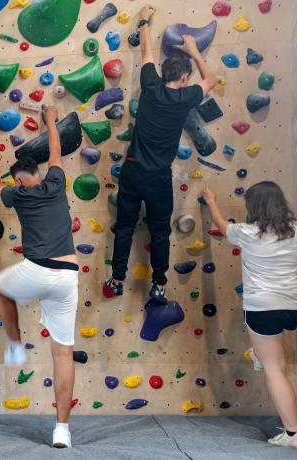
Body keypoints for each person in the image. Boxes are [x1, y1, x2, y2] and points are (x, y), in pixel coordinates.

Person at [105, 5, 217, 304]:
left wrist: (144, 20)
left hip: (131, 169)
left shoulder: (151, 85)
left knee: (125, 227)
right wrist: (194, 50)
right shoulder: (185, 97)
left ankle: (117, 280)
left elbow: (147, 53)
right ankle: (159, 285)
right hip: (157, 178)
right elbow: (211, 80)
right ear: (183, 78)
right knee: (159, 232)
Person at [0, 106, 79, 449]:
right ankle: (62, 430)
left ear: (19, 181)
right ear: (38, 173)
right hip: (68, 276)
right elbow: (55, 150)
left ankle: (14, 345)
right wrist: (51, 120)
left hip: (37, 270)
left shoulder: (17, 194)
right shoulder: (56, 182)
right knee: (63, 355)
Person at [203, 183, 297, 450]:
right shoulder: (296, 230)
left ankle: (294, 434)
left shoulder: (246, 232)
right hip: (296, 306)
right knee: (271, 357)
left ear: (254, 207)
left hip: (264, 308)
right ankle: (259, 354)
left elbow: (220, 222)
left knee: (275, 370)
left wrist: (211, 199)